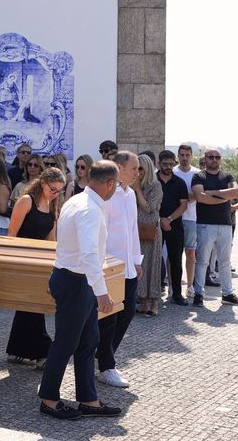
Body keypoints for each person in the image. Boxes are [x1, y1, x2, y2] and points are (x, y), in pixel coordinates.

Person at [38, 160, 121, 420]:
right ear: (109, 183)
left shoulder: (76, 200)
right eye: (116, 184)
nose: (115, 189)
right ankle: (49, 400)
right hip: (75, 280)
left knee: (87, 342)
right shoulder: (90, 209)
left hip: (73, 279)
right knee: (66, 343)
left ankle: (88, 399)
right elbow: (88, 254)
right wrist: (101, 291)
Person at [5, 168, 65, 368]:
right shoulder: (26, 201)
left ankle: (16, 350)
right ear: (43, 182)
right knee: (33, 306)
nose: (55, 193)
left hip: (39, 262)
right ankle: (43, 352)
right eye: (53, 189)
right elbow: (12, 233)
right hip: (22, 259)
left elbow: (51, 239)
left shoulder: (52, 204)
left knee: (27, 306)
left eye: (59, 190)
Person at [95, 151, 142, 389]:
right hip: (109, 266)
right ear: (120, 168)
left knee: (128, 312)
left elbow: (132, 228)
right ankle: (106, 365)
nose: (137, 173)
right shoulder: (106, 195)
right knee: (109, 317)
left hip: (128, 266)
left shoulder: (130, 194)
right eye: (134, 168)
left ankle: (103, 356)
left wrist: (137, 259)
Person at [191, 148, 238, 307]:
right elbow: (200, 197)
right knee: (202, 261)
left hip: (225, 225)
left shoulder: (227, 176)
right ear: (205, 159)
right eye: (211, 157)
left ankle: (227, 294)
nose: (214, 159)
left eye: (217, 157)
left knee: (225, 262)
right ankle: (198, 293)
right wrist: (223, 198)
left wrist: (212, 193)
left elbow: (235, 191)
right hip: (205, 224)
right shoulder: (198, 176)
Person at [156, 150, 189, 306]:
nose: (168, 167)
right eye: (165, 164)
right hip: (154, 226)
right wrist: (159, 220)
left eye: (171, 164)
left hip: (174, 226)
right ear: (158, 163)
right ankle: (152, 293)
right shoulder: (152, 181)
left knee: (176, 261)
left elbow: (184, 205)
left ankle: (176, 294)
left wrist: (168, 220)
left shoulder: (180, 182)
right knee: (153, 260)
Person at [134, 154, 163, 316]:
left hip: (151, 231)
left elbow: (149, 207)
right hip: (136, 231)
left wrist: (137, 189)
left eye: (141, 169)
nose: (138, 172)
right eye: (136, 168)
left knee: (153, 265)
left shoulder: (155, 185)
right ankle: (144, 302)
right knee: (141, 266)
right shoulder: (133, 186)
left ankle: (155, 303)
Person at [174, 144, 198, 297]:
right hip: (175, 218)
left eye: (187, 155)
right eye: (182, 155)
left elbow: (199, 195)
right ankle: (172, 286)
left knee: (190, 253)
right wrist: (188, 196)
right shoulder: (173, 172)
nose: (184, 158)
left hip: (191, 218)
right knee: (173, 254)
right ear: (178, 155)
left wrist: (184, 197)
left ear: (191, 156)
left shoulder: (197, 174)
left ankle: (190, 286)